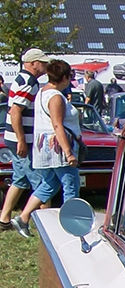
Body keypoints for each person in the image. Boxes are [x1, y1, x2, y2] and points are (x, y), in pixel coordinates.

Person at [15, 59, 81, 235]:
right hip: (57, 148)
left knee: (50, 184)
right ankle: (71, 225)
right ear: (65, 77)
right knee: (70, 185)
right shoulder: (55, 97)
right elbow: (57, 125)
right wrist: (69, 153)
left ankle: (23, 218)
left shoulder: (43, 93)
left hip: (44, 146)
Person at [2, 47, 47, 236]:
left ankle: (4, 219)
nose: (45, 65)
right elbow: (16, 111)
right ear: (33, 64)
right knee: (42, 183)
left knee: (19, 180)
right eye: (42, 62)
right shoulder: (28, 81)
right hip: (22, 139)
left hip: (15, 137)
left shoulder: (24, 79)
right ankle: (47, 225)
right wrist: (21, 139)